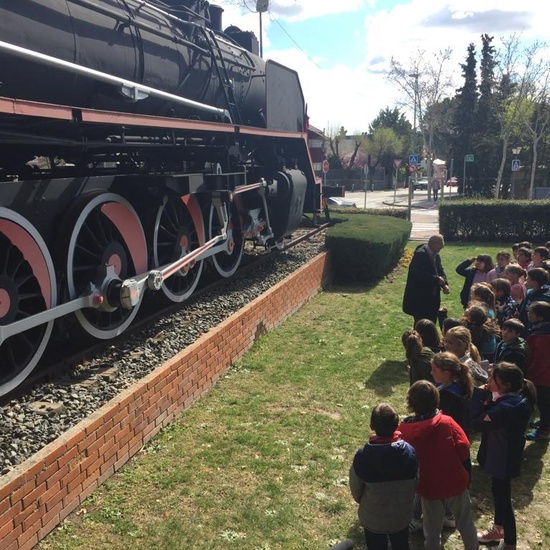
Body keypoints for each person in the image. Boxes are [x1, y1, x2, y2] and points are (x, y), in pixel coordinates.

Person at [399, 381, 479, 550]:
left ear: (411, 403)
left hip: (429, 487)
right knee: (465, 522)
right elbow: (464, 448)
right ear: (437, 399)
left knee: (431, 528)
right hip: (455, 481)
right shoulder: (447, 422)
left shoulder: (405, 431)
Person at [471, 363, 536, 550]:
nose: (488, 381)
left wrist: (480, 394)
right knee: (498, 492)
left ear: (505, 385)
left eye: (492, 379)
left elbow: (476, 423)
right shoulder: (519, 398)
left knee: (504, 499)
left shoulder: (503, 409)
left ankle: (510, 544)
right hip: (506, 456)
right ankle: (498, 530)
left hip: (502, 459)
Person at [349, 403, 418, 550]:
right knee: (401, 544)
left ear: (371, 426)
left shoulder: (363, 456)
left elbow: (356, 488)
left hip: (373, 518)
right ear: (397, 425)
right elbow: (417, 481)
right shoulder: (410, 452)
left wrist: (362, 501)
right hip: (402, 515)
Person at [403, 235, 449, 325]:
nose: (442, 248)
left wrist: (444, 284)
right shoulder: (420, 255)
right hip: (420, 299)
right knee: (421, 324)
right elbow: (419, 274)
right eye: (440, 245)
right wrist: (436, 280)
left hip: (432, 298)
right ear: (433, 244)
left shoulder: (436, 255)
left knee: (431, 323)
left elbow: (440, 270)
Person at [524, 301, 550, 441]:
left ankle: (544, 431)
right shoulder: (541, 330)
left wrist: (530, 373)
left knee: (544, 404)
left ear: (540, 317)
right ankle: (544, 422)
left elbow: (540, 361)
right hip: (543, 375)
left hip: (543, 377)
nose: (528, 314)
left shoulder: (542, 336)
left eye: (531, 313)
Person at [431, 351, 474, 430]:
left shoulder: (447, 396)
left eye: (434, 370)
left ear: (446, 373)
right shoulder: (461, 387)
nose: (431, 373)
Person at [517, 267, 550, 334]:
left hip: (538, 331)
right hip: (525, 327)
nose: (526, 279)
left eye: (528, 278)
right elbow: (522, 310)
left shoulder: (546, 298)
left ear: (535, 283)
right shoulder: (529, 292)